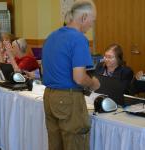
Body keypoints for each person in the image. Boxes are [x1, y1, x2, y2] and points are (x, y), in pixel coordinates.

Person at [42, 1, 100, 150]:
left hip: (49, 96)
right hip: (68, 99)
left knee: (55, 144)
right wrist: (93, 83)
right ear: (84, 17)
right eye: (92, 21)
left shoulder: (51, 36)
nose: (91, 25)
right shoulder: (78, 38)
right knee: (75, 144)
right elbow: (79, 78)